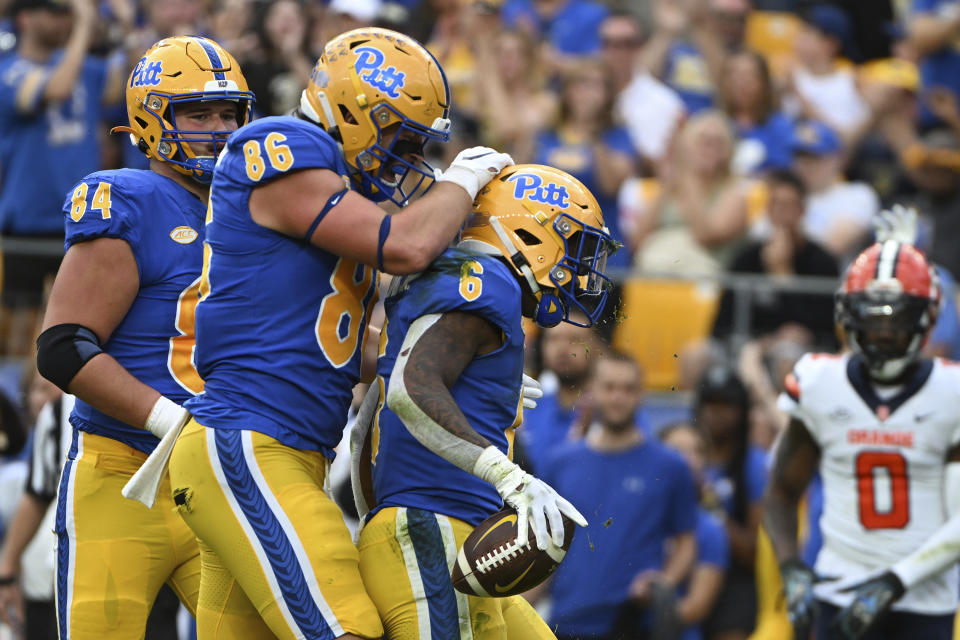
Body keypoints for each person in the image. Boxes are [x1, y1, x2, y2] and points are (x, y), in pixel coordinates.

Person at [166, 27, 514, 639]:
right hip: (248, 438)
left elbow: (331, 346)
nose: (408, 160)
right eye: (399, 137)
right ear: (352, 110)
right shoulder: (280, 144)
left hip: (285, 448)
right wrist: (463, 180)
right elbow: (403, 246)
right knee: (348, 628)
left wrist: (454, 357)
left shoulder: (332, 189)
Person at [32, 35, 253, 638]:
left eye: (228, 113)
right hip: (123, 473)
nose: (218, 129)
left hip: (219, 478)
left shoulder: (252, 211)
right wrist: (169, 422)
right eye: (198, 114)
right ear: (153, 117)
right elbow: (63, 346)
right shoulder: (132, 199)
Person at [353, 163, 611, 638]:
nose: (577, 268)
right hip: (429, 526)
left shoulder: (473, 281)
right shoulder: (486, 280)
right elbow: (411, 389)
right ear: (527, 233)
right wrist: (509, 478)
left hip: (446, 527)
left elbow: (378, 406)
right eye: (572, 247)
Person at [764, 240, 960, 639]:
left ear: (927, 317)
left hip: (923, 598)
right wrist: (791, 566)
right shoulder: (819, 382)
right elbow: (781, 493)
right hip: (839, 590)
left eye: (896, 319)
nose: (883, 333)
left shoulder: (951, 391)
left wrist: (894, 581)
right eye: (871, 318)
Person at [536, 352, 698, 640]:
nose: (618, 397)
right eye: (609, 387)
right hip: (565, 621)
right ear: (592, 391)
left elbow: (686, 540)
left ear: (641, 393)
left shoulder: (670, 466)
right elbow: (545, 546)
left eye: (628, 388)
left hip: (635, 623)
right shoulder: (558, 463)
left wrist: (664, 583)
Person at [0, 0, 123, 355]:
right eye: (55, 10)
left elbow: (118, 87)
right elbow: (56, 89)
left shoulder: (81, 64)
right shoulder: (8, 71)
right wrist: (84, 27)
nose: (65, 19)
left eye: (67, 11)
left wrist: (119, 28)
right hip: (27, 221)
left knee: (75, 335)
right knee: (18, 338)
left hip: (81, 218)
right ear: (25, 17)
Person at [711, 168, 839, 348]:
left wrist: (783, 275)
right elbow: (721, 324)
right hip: (748, 347)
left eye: (790, 206)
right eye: (776, 205)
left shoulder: (822, 261)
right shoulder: (747, 258)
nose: (783, 214)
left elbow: (821, 328)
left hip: (801, 351)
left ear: (802, 210)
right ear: (768, 210)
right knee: (696, 354)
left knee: (788, 345)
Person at [694, 365, 766, 640]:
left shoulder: (754, 464)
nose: (716, 413)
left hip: (735, 586)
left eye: (726, 405)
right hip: (687, 574)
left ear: (742, 412)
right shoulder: (683, 456)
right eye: (709, 403)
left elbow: (753, 552)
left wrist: (710, 502)